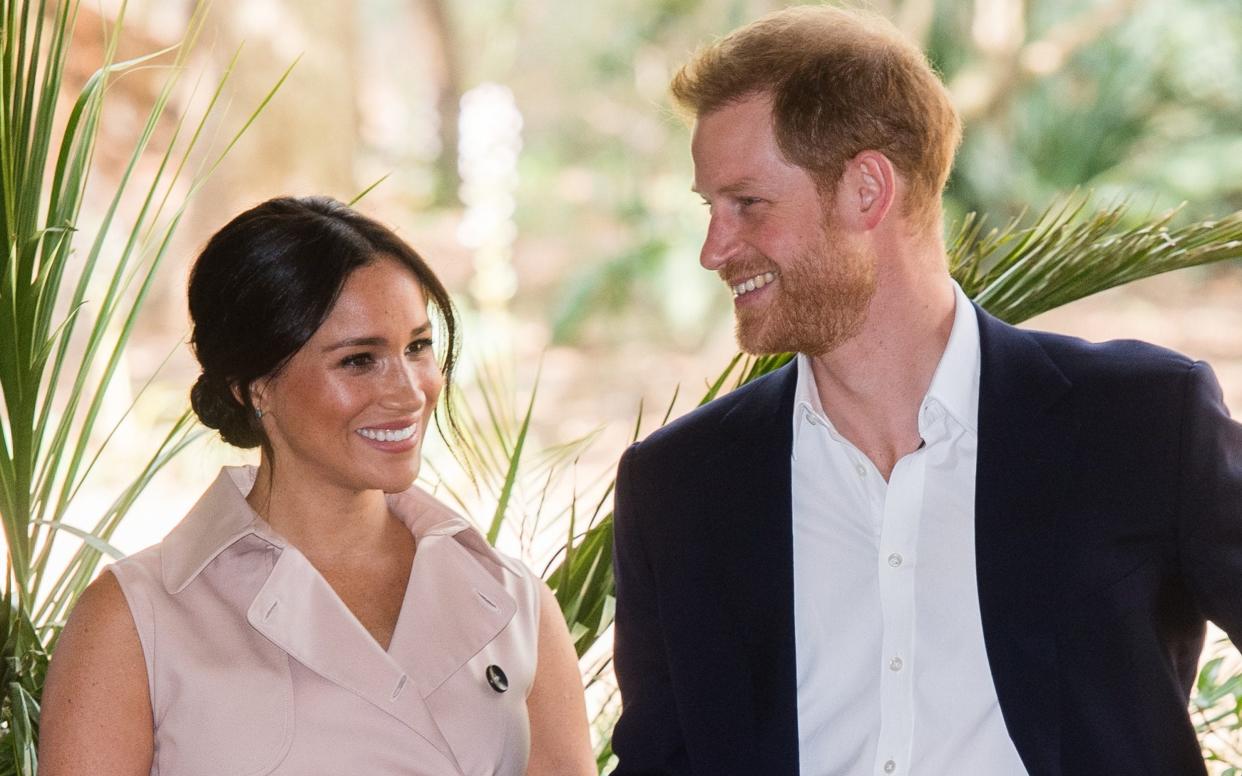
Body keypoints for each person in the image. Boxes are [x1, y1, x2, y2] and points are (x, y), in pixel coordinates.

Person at [609, 6, 1242, 776]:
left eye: (748, 204)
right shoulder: (679, 486)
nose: (714, 248)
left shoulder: (1141, 423)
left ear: (867, 189)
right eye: (710, 209)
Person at [41, 196, 596, 776]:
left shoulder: (513, 598)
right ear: (252, 386)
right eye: (359, 360)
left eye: (418, 347)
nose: (409, 393)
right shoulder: (136, 618)